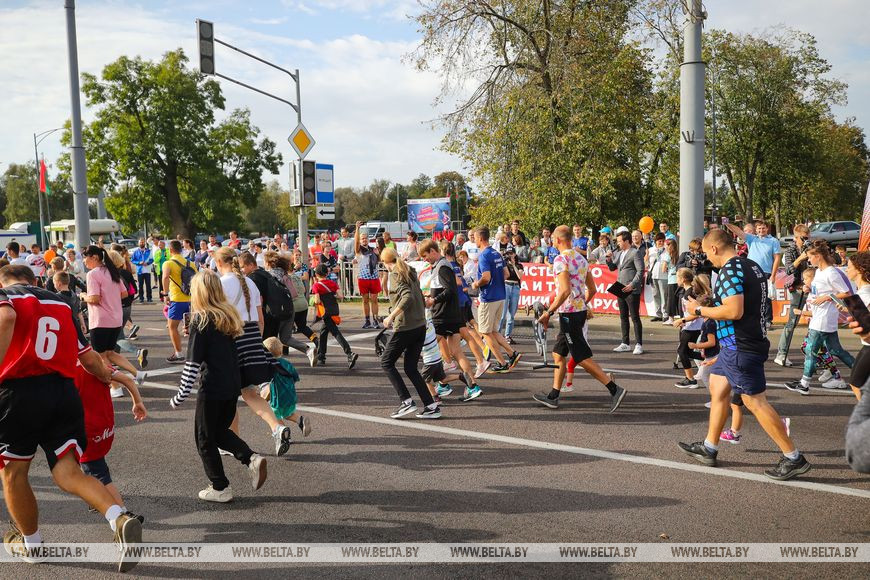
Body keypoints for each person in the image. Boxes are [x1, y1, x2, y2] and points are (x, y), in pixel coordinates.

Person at [0, 265, 142, 571]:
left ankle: (32, 544)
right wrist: (107, 375)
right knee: (69, 472)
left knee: (14, 472)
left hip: (18, 393)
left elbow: (6, 317)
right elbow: (89, 357)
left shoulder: (6, 296)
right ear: (35, 280)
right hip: (63, 391)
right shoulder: (60, 303)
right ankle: (118, 517)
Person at [679, 228, 811, 481]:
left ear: (715, 248)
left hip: (741, 345)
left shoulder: (729, 269)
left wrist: (698, 311)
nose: (708, 258)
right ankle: (710, 447)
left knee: (754, 401)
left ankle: (794, 457)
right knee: (718, 387)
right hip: (738, 344)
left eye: (707, 253)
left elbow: (733, 311)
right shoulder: (750, 265)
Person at [169, 269, 268, 503]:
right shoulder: (229, 315)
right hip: (232, 383)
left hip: (212, 385)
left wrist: (181, 394)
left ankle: (220, 486)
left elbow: (192, 362)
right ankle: (251, 458)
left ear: (199, 292)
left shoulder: (201, 319)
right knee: (219, 432)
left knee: (204, 437)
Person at [532, 226, 627, 411]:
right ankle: (554, 395)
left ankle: (614, 389)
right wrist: (582, 304)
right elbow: (592, 290)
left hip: (568, 314)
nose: (551, 241)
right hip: (578, 312)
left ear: (558, 240)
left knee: (581, 357)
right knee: (558, 354)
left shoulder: (561, 259)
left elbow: (565, 291)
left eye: (552, 238)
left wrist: (548, 312)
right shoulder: (580, 258)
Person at [212, 248, 294, 455]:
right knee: (250, 393)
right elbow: (260, 318)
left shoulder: (221, 284)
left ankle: (233, 441)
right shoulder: (249, 282)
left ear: (219, 263)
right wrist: (257, 340)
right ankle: (277, 427)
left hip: (233, 338)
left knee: (229, 395)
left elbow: (217, 318)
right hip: (252, 336)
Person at [74, 357, 147, 524]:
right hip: (105, 425)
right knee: (89, 467)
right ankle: (95, 499)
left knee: (98, 474)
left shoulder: (67, 369)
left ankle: (123, 516)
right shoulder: (97, 362)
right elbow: (127, 379)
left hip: (86, 429)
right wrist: (137, 402)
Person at [784, 241, 855, 395]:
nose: (808, 260)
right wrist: (809, 288)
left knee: (811, 349)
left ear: (818, 256)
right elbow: (819, 291)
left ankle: (804, 384)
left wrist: (826, 298)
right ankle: (864, 375)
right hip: (820, 317)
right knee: (836, 350)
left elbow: (847, 293)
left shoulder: (831, 272)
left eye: (810, 257)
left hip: (823, 318)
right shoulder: (820, 272)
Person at [380, 248, 441, 419]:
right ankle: (430, 406)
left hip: (406, 327)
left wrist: (391, 316)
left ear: (385, 263)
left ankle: (406, 401)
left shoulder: (395, 274)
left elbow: (408, 297)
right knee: (410, 368)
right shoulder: (409, 270)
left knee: (386, 362)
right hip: (419, 325)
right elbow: (418, 294)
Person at [419, 239, 483, 402]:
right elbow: (446, 290)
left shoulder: (442, 267)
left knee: (426, 349)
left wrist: (433, 300)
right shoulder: (440, 266)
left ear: (433, 251)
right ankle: (471, 386)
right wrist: (432, 297)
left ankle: (442, 385)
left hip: (443, 316)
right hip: (450, 314)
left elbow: (450, 290)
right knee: (455, 352)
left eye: (426, 256)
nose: (425, 260)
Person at [80, 246, 146, 396]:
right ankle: (137, 374)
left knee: (101, 356)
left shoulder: (93, 274)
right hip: (115, 318)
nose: (84, 261)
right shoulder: (112, 271)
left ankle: (116, 387)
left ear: (94, 257)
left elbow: (95, 299)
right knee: (110, 353)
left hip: (100, 319)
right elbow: (124, 293)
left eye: (85, 257)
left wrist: (83, 296)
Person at [471, 227, 521, 373]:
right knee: (493, 331)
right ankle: (512, 354)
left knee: (485, 333)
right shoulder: (497, 253)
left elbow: (485, 277)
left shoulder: (484, 255)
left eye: (474, 237)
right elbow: (506, 274)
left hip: (489, 297)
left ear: (480, 238)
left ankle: (502, 362)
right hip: (500, 295)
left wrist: (476, 284)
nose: (474, 240)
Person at [725, 219, 781, 327]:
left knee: (766, 297)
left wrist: (773, 275)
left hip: (766, 272)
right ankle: (751, 318)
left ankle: (767, 320)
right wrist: (728, 224)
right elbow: (738, 232)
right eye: (759, 228)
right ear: (756, 229)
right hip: (750, 271)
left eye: (763, 228)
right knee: (749, 295)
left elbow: (777, 258)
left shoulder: (773, 241)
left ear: (767, 228)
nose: (761, 230)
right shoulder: (751, 238)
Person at [775, 224, 811, 367]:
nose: (806, 240)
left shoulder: (810, 248)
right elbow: (788, 270)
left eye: (808, 238)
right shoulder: (790, 251)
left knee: (817, 322)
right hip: (797, 289)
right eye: (803, 238)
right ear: (796, 238)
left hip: (811, 287)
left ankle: (818, 356)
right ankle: (781, 353)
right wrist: (801, 258)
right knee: (792, 323)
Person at [311, 264, 358, 369]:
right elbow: (341, 296)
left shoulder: (316, 285)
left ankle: (349, 353)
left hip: (325, 312)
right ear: (327, 273)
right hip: (334, 310)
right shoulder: (332, 283)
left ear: (316, 274)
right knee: (323, 332)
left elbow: (317, 300)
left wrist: (314, 300)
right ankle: (321, 356)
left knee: (336, 333)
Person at [606, 231, 645, 355]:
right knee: (623, 317)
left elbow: (640, 271)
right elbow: (613, 268)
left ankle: (639, 344)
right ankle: (625, 343)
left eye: (619, 241)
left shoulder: (635, 252)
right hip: (620, 286)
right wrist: (608, 259)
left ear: (626, 241)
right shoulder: (619, 253)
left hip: (631, 289)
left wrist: (632, 285)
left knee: (634, 317)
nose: (618, 244)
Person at [673, 270, 710, 388]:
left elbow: (697, 312)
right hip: (692, 326)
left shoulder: (689, 294)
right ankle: (711, 358)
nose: (676, 280)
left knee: (682, 351)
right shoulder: (688, 291)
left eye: (677, 277)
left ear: (683, 279)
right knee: (688, 352)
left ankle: (691, 380)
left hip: (692, 327)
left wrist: (682, 320)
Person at [162, 240, 198, 363]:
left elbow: (165, 277)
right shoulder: (190, 263)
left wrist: (165, 294)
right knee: (193, 328)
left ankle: (178, 353)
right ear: (181, 249)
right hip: (191, 300)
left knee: (172, 327)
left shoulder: (168, 263)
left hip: (177, 300)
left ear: (170, 250)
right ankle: (196, 353)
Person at [846, 251, 870, 400]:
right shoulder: (862, 291)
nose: (846, 270)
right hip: (866, 344)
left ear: (859, 269)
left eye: (849, 267)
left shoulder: (865, 294)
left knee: (856, 383)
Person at [354, 221, 382, 329]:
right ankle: (367, 320)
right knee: (365, 300)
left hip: (374, 278)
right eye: (362, 238)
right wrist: (357, 229)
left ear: (368, 239)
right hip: (363, 278)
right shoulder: (359, 250)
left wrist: (378, 255)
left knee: (374, 299)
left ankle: (375, 320)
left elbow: (380, 261)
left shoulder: (373, 250)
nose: (364, 240)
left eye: (365, 238)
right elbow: (356, 243)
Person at [498, 247, 524, 344]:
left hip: (515, 286)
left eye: (511, 253)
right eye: (508, 253)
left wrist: (514, 265)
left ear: (514, 254)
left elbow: (520, 276)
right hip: (506, 285)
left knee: (511, 313)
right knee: (502, 313)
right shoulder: (503, 264)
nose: (509, 255)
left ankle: (507, 335)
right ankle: (498, 334)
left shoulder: (519, 265)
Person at [647, 233, 668, 321]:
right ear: (655, 241)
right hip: (653, 275)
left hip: (663, 276)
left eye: (663, 241)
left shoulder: (666, 250)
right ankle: (658, 314)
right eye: (659, 241)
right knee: (656, 295)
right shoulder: (651, 250)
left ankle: (665, 314)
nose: (661, 243)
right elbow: (647, 262)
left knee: (664, 295)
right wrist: (646, 255)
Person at [661, 238, 680, 325]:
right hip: (679, 280)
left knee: (670, 299)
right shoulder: (677, 254)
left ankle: (671, 318)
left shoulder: (667, 255)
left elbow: (663, 269)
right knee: (679, 299)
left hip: (671, 280)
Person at [131, 238, 154, 303]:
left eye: (143, 242)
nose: (142, 243)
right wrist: (139, 262)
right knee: (140, 286)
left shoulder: (149, 251)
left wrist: (148, 263)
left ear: (145, 243)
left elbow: (152, 259)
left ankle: (149, 298)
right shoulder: (136, 252)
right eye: (140, 242)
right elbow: (132, 260)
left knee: (148, 285)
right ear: (138, 243)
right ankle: (141, 298)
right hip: (140, 271)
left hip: (147, 271)